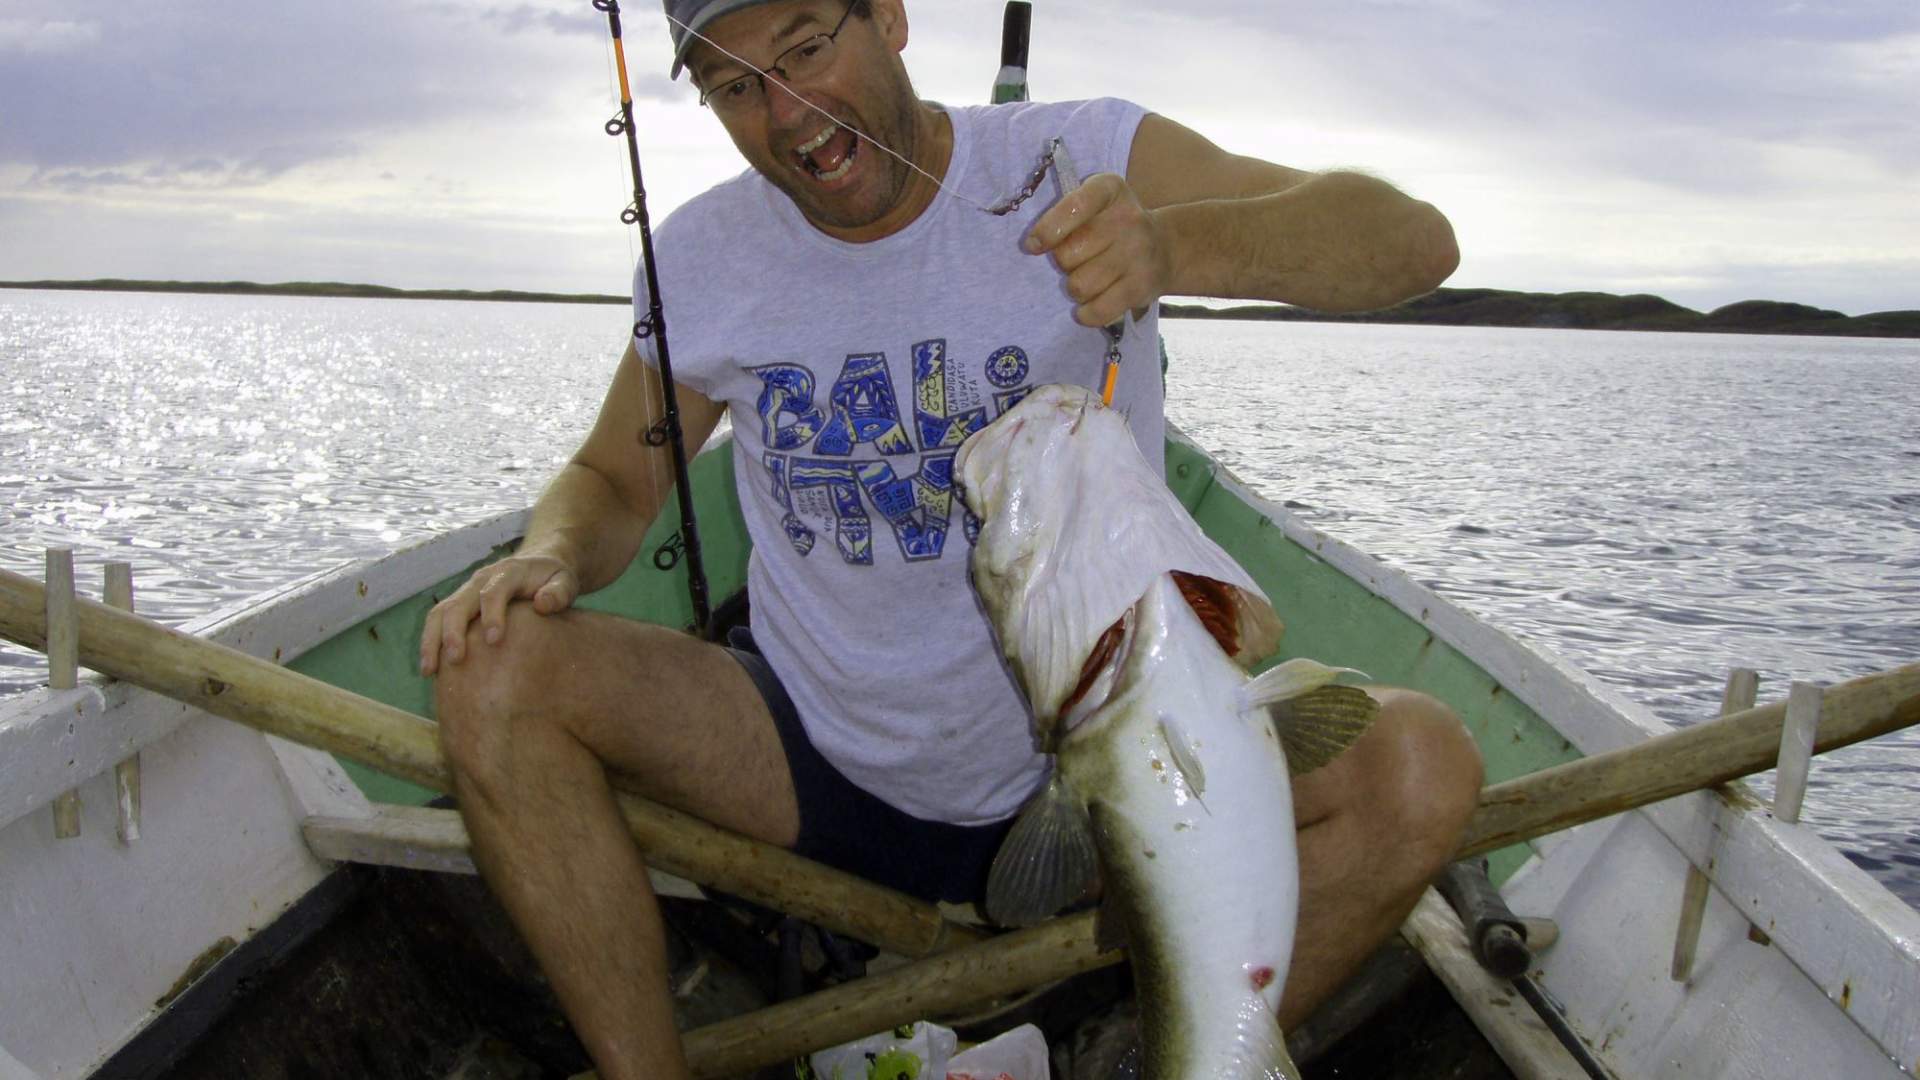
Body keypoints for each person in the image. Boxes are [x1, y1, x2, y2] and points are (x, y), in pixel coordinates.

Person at [419, 0, 1478, 1076]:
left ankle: (1167, 1060)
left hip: (1099, 792)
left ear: (889, 16)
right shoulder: (703, 260)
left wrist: (1173, 243)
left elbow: (1411, 245)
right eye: (738, 87)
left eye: (806, 47)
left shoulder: (1080, 157)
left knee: (1419, 766)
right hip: (813, 758)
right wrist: (547, 551)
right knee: (491, 667)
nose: (791, 115)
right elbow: (611, 479)